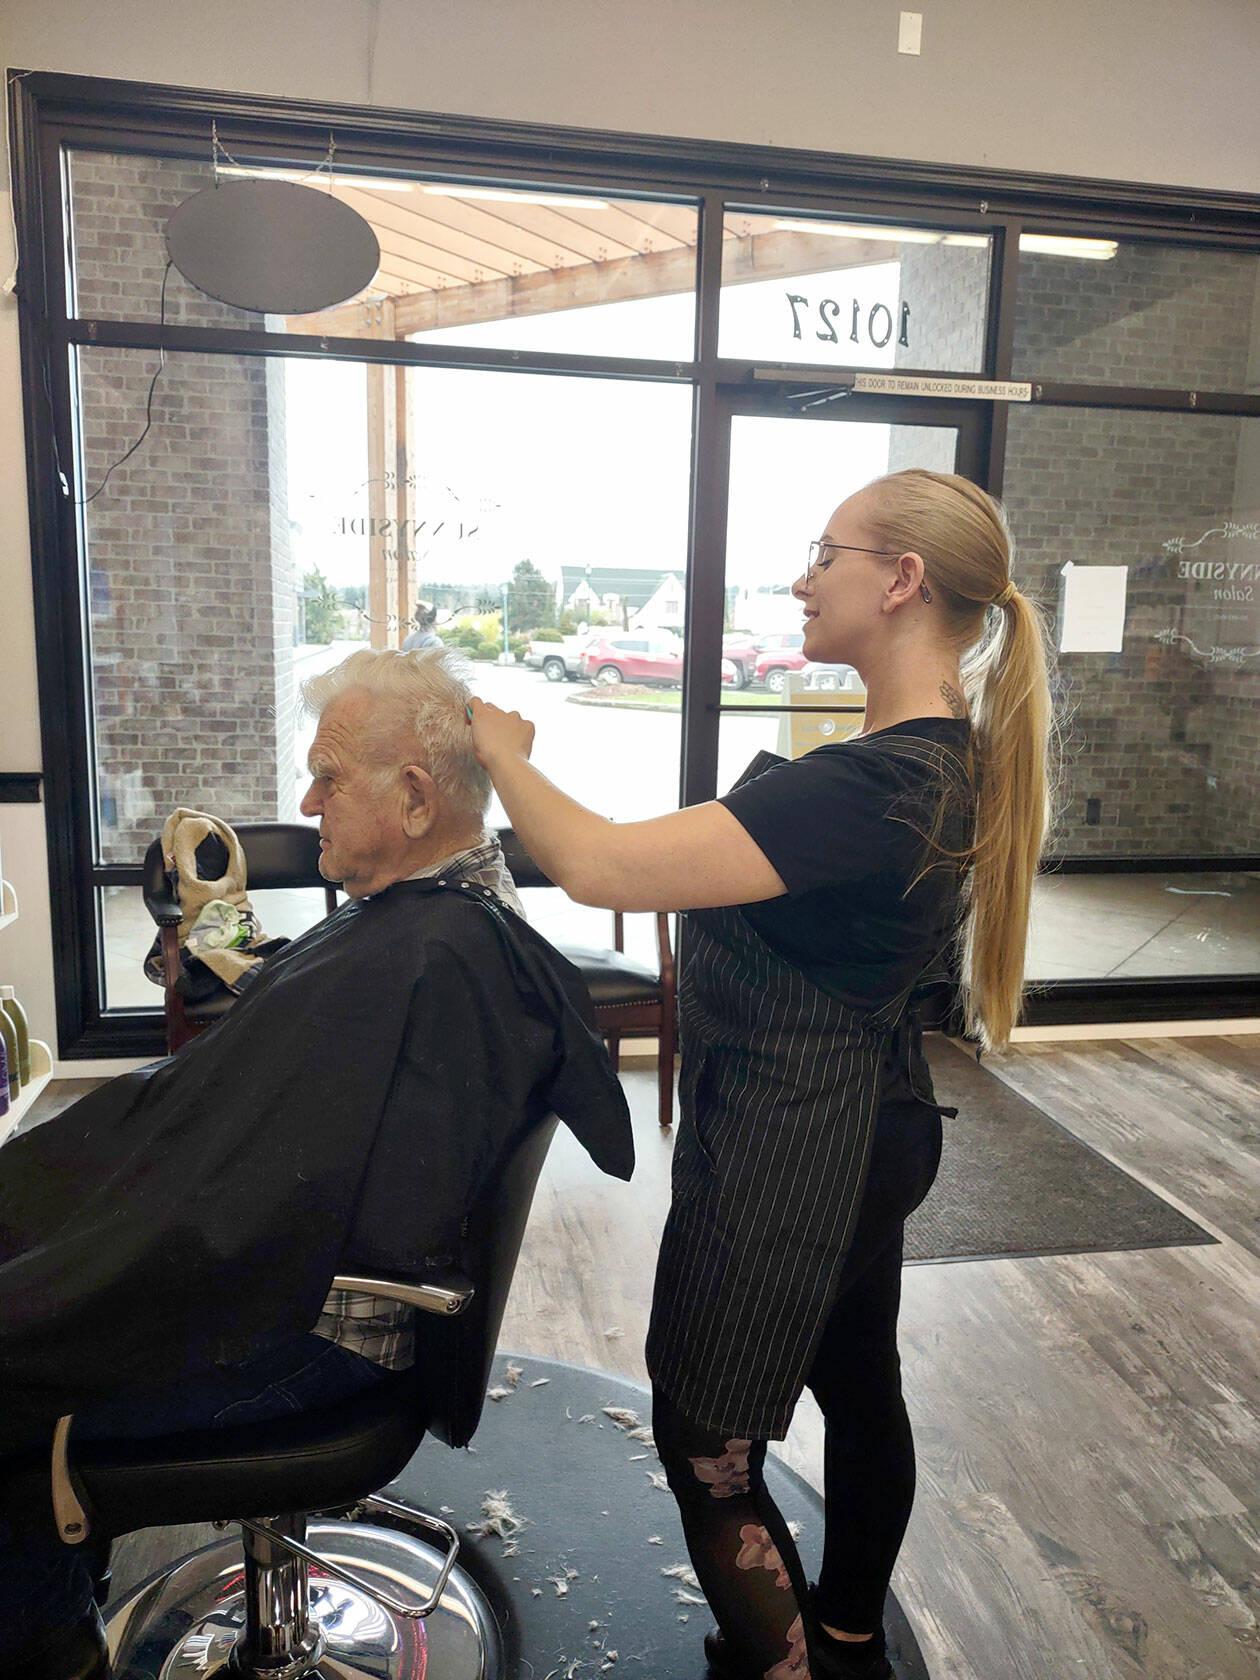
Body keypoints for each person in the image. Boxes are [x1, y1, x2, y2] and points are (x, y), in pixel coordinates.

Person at [468, 469, 1052, 1680]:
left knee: (706, 1443)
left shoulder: (877, 787)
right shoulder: (926, 763)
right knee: (860, 1381)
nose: (800, 579)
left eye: (825, 554)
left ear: (900, 581)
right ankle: (846, 1640)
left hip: (803, 1147)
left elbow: (597, 866)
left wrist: (500, 752)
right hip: (869, 1126)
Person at [0, 646, 632, 1679]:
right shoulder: (428, 924)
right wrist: (232, 960)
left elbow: (271, 1188)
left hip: (313, 1338)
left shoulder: (434, 957)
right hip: (292, 1289)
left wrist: (106, 1248)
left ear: (415, 799)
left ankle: (48, 1645)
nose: (307, 802)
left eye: (328, 778)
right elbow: (312, 1046)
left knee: (21, 1366)